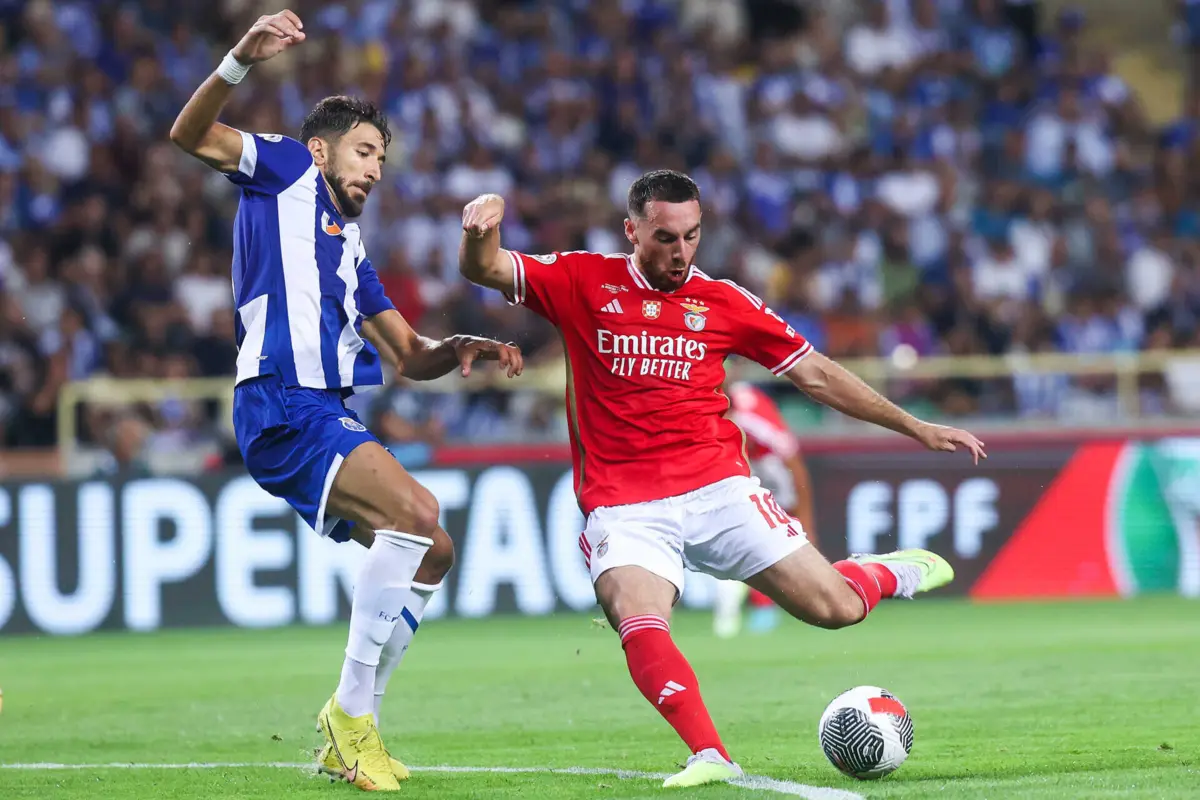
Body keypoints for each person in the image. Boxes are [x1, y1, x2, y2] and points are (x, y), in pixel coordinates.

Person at [458, 172, 985, 788]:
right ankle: (710, 753)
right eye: (664, 238)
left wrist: (913, 425)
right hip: (624, 504)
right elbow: (485, 268)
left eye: (692, 236)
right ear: (632, 231)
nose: (680, 252)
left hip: (720, 490)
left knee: (837, 609)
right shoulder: (582, 280)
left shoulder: (723, 301)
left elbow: (814, 373)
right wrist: (481, 228)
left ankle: (888, 572)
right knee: (637, 612)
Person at [169, 11, 523, 792]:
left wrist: (454, 348)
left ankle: (352, 731)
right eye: (365, 152)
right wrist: (237, 58)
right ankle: (348, 715)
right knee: (418, 512)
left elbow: (404, 354)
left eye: (383, 161)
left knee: (435, 549)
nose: (374, 170)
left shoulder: (349, 244)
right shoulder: (288, 167)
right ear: (325, 148)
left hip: (324, 410)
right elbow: (190, 135)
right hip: (281, 399)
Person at [712, 375, 816, 638]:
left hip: (769, 466)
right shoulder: (707, 409)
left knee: (777, 531)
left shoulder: (751, 417)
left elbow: (793, 462)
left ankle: (774, 603)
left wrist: (805, 519)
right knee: (740, 530)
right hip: (736, 463)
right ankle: (744, 605)